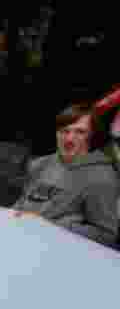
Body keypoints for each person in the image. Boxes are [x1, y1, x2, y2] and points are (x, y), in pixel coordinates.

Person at [13, 104, 119, 248]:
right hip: (17, 241)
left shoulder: (101, 177)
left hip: (54, 253)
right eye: (64, 131)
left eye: (80, 132)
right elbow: (22, 203)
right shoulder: (40, 164)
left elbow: (106, 234)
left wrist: (54, 226)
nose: (69, 138)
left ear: (92, 135)